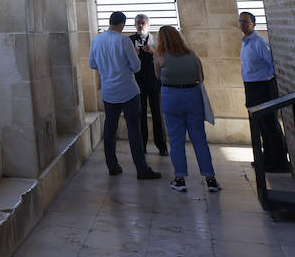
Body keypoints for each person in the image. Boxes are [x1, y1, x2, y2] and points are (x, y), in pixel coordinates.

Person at [88, 11, 161, 180]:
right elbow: (136, 67)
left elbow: (92, 63)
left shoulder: (97, 39)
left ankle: (112, 166)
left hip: (108, 92)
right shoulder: (123, 40)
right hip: (128, 91)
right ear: (122, 24)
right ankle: (141, 169)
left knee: (109, 129)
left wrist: (107, 69)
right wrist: (134, 56)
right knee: (134, 130)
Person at [154, 25, 218, 193]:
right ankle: (210, 179)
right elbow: (201, 77)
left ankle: (180, 179)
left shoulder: (160, 55)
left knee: (176, 139)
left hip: (171, 96)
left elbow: (158, 76)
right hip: (193, 95)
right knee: (199, 138)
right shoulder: (192, 54)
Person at [239, 11, 290, 172]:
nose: (242, 24)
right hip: (251, 86)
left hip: (263, 87)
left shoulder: (259, 42)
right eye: (240, 21)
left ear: (253, 24)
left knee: (269, 124)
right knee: (259, 124)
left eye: (246, 21)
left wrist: (269, 83)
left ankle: (279, 162)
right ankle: (266, 159)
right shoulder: (245, 42)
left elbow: (272, 64)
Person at [129, 14, 168, 157]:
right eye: (138, 23)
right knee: (140, 115)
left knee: (157, 113)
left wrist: (153, 51)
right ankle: (142, 146)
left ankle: (162, 146)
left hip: (154, 82)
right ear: (134, 25)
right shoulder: (129, 41)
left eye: (143, 23)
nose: (140, 25)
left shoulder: (157, 41)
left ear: (148, 25)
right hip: (137, 82)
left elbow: (164, 59)